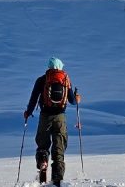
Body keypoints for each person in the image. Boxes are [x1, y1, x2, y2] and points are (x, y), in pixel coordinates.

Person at [24, 57, 80, 186]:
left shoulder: (41, 80)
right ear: (60, 67)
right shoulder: (65, 79)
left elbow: (33, 98)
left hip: (45, 116)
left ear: (49, 66)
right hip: (60, 118)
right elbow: (72, 101)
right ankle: (57, 179)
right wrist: (77, 98)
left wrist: (28, 112)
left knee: (43, 144)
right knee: (59, 147)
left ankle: (43, 163)